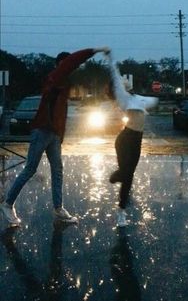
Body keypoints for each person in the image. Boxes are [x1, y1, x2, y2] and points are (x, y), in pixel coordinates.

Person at [0, 47, 109, 225]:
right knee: (30, 169)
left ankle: (58, 209)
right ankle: (7, 204)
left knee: (57, 170)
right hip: (42, 130)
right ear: (62, 65)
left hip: (53, 134)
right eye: (69, 66)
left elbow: (61, 114)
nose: (73, 70)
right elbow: (73, 61)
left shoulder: (63, 83)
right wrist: (94, 50)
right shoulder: (56, 78)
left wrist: (60, 135)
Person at [105, 51, 158, 227]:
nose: (125, 85)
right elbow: (115, 73)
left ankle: (121, 209)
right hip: (125, 140)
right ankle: (121, 210)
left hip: (137, 141)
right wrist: (110, 59)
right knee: (126, 175)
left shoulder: (140, 98)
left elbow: (154, 100)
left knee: (129, 176)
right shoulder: (124, 100)